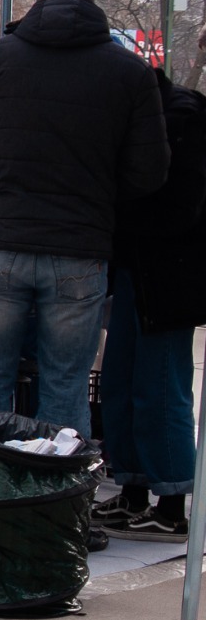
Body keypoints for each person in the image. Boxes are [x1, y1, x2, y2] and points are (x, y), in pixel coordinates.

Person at [0, 0, 167, 440]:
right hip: (79, 248)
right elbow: (149, 174)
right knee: (65, 386)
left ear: (38, 4)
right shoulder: (130, 72)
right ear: (95, 8)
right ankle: (52, 506)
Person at [93, 67, 206, 539]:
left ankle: (172, 501)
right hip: (139, 267)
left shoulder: (182, 123)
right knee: (121, 382)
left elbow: (181, 205)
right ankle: (135, 488)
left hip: (166, 274)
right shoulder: (158, 116)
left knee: (159, 386)